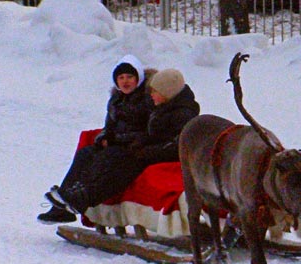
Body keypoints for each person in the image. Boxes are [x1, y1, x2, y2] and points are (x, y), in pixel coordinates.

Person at [37, 59, 198, 224]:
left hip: (137, 149)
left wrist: (133, 144)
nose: (125, 81)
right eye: (121, 78)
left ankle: (79, 197)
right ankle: (63, 203)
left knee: (116, 161)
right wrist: (104, 138)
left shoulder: (151, 103)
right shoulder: (117, 100)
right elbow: (111, 127)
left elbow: (157, 136)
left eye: (129, 77)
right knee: (86, 153)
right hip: (133, 147)